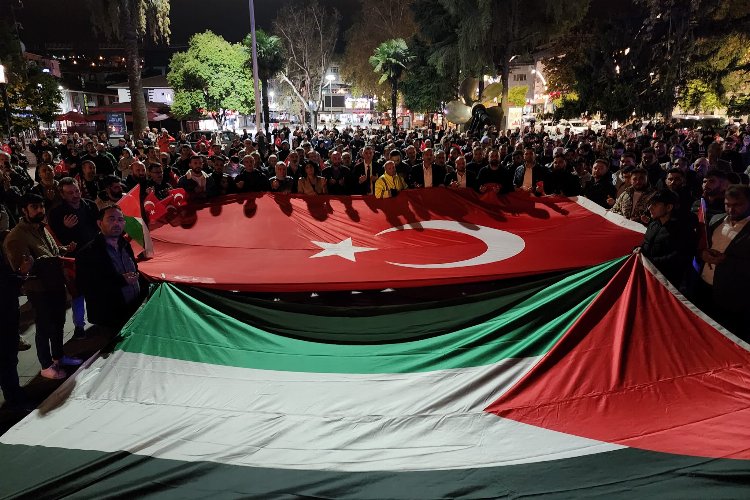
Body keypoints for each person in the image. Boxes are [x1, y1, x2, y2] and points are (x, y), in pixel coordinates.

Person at [3, 194, 81, 380]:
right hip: (39, 288)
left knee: (58, 322)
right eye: (34, 207)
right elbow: (22, 269)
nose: (40, 210)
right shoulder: (16, 236)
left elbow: (50, 250)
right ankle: (46, 365)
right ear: (24, 210)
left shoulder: (41, 227)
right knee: (44, 325)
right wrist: (52, 260)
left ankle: (58, 356)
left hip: (55, 283)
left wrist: (64, 250)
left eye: (41, 206)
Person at [76, 205, 145, 329]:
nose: (116, 223)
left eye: (120, 220)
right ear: (99, 223)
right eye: (111, 219)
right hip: (112, 317)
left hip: (135, 309)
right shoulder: (87, 253)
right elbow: (88, 287)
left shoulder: (125, 245)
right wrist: (121, 281)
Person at [695, 184, 750, 339]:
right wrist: (702, 254)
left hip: (732, 297)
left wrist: (727, 261)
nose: (731, 210)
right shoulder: (716, 219)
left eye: (737, 205)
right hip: (703, 286)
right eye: (727, 205)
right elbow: (702, 245)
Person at [47, 178, 100, 338]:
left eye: (77, 191)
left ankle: (99, 318)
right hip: (73, 259)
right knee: (78, 293)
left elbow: (98, 227)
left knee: (97, 288)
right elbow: (55, 238)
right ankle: (79, 326)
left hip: (94, 254)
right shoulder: (56, 213)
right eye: (70, 193)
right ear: (62, 195)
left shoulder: (90, 205)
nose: (75, 195)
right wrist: (65, 228)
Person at [0, 234, 34, 409]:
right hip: (4, 314)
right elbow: (5, 284)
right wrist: (21, 273)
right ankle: (15, 400)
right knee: (6, 360)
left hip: (7, 312)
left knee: (9, 359)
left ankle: (15, 395)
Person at [637, 189, 697, 287]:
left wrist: (650, 261)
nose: (649, 208)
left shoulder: (683, 230)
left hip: (667, 283)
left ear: (669, 207)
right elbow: (646, 244)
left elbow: (678, 258)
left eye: (655, 205)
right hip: (648, 275)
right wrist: (638, 249)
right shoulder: (653, 225)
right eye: (650, 204)